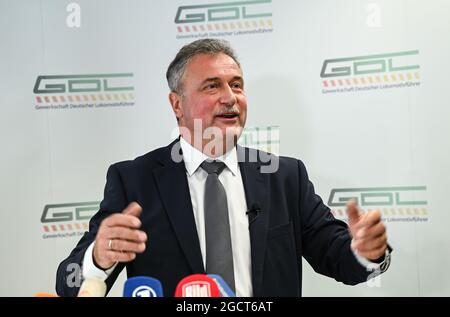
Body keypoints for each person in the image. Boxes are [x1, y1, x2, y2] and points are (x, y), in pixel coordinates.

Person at [56, 38, 391, 297]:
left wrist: (366, 252)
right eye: (212, 85)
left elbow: (341, 260)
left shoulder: (285, 177)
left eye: (237, 84)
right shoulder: (135, 181)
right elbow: (68, 281)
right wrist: (98, 257)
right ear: (177, 104)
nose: (230, 97)